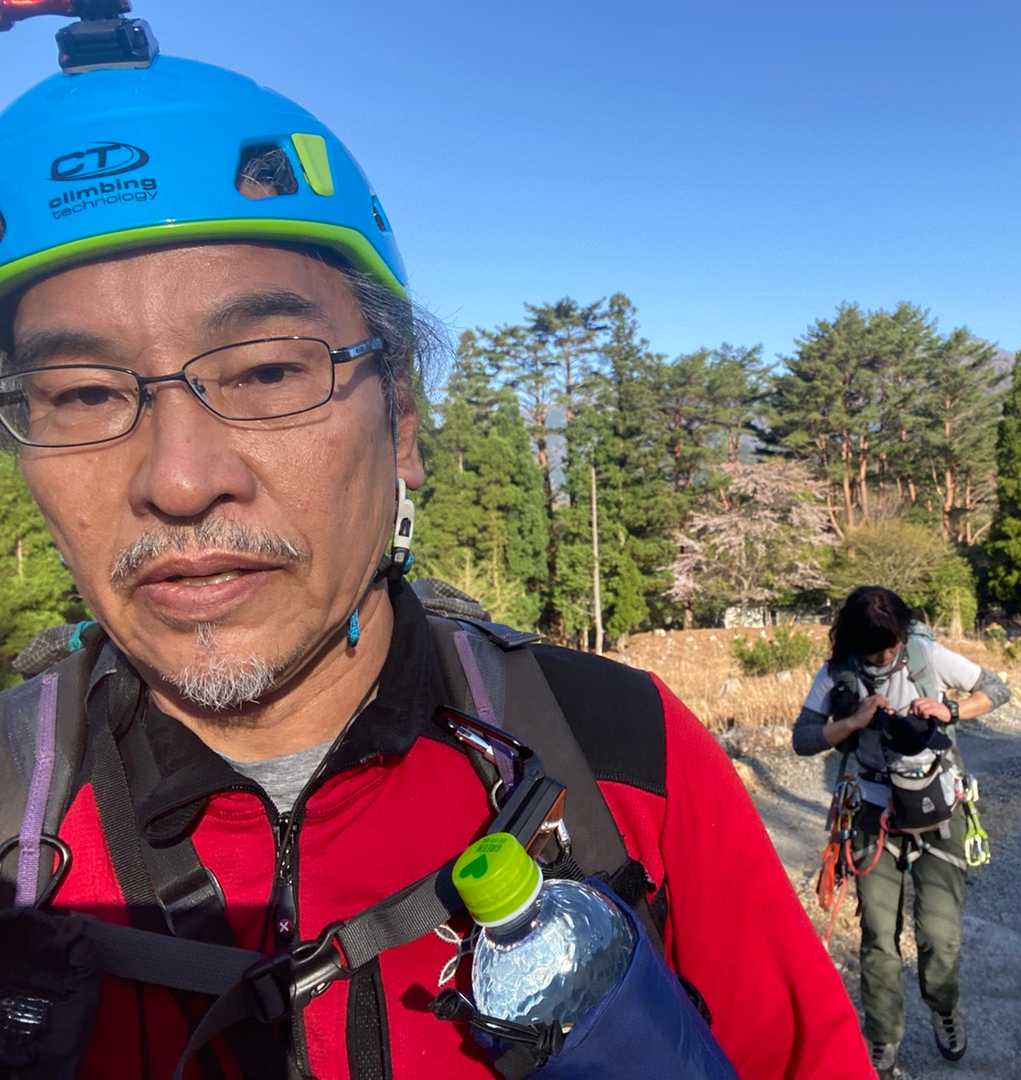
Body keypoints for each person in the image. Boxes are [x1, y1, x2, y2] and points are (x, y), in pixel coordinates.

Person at [0, 11, 869, 1078]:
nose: (178, 481)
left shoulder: (622, 762)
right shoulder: (13, 809)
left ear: (402, 419)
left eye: (268, 371)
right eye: (83, 394)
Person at [792, 586, 1009, 1075]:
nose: (886, 657)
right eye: (875, 651)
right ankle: (883, 1036)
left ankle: (944, 1007)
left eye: (892, 646)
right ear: (855, 643)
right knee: (877, 937)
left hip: (938, 808)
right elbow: (803, 738)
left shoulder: (925, 656)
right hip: (872, 814)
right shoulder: (837, 674)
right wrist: (853, 721)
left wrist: (950, 711)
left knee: (939, 934)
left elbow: (997, 689)